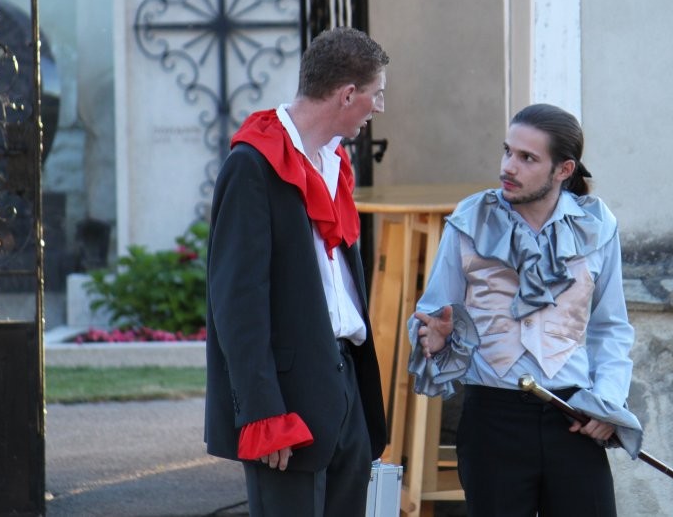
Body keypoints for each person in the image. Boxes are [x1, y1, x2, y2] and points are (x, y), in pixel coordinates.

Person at [408, 103, 643, 517]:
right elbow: (432, 317)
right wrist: (436, 340)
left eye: (527, 158)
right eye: (507, 151)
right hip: (492, 419)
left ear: (563, 170)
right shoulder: (470, 220)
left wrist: (607, 404)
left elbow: (610, 328)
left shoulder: (596, 225)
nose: (508, 167)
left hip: (573, 417)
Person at [205, 27, 389, 517]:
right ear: (347, 94)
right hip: (288, 397)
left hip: (345, 380)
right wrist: (263, 410)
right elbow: (237, 302)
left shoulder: (333, 162)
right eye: (376, 94)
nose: (378, 107)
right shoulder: (252, 164)